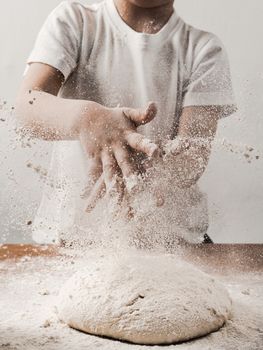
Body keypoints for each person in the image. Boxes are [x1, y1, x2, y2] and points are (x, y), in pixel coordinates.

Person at [15, 0, 236, 247]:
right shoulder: (75, 21)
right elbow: (27, 107)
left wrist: (151, 176)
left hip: (174, 242)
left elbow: (193, 156)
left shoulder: (204, 49)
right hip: (73, 238)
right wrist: (89, 118)